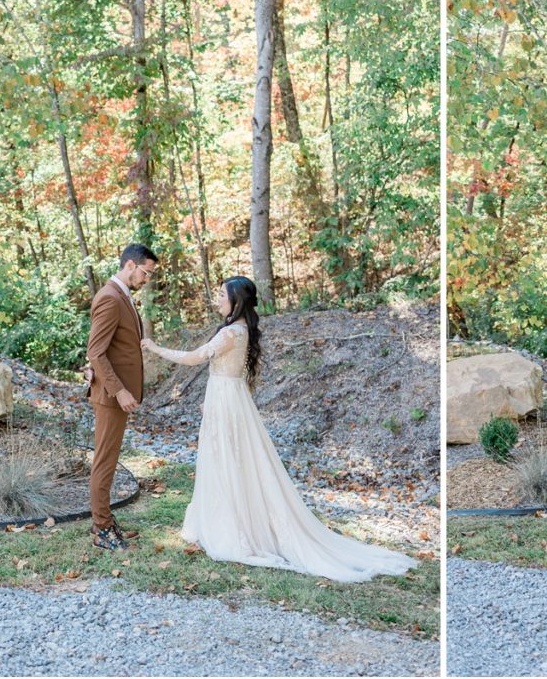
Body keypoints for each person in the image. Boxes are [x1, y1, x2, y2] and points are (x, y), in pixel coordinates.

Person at [141, 276, 417, 582]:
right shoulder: (240, 330)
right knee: (228, 460)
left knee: (228, 460)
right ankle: (225, 520)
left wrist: (154, 347)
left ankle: (234, 529)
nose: (217, 299)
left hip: (227, 400)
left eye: (222, 295)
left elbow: (193, 358)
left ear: (237, 301)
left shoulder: (232, 332)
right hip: (227, 398)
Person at [86, 243, 158, 551]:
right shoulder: (110, 298)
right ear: (130, 265)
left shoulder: (122, 296)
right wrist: (120, 390)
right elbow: (96, 351)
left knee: (110, 460)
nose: (147, 279)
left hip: (115, 394)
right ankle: (101, 530)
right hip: (109, 397)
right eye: (146, 272)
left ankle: (106, 521)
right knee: (104, 461)